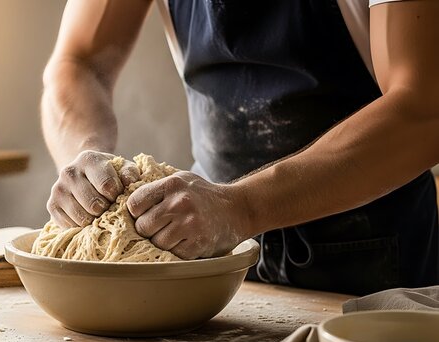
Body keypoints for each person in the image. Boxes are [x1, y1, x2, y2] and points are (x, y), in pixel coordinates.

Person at [40, 0, 439, 295]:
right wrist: (86, 156)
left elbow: (423, 107)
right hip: (208, 263)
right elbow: (78, 63)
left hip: (376, 269)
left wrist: (241, 207)